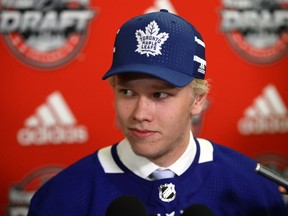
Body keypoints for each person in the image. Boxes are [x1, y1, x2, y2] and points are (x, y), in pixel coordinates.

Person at [28, 9, 288, 216]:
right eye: (127, 92)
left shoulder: (253, 190)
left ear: (198, 99)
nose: (140, 114)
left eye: (159, 94)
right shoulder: (62, 197)